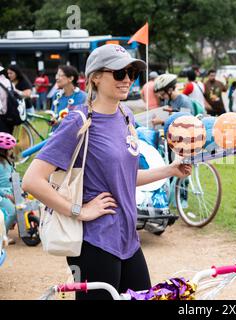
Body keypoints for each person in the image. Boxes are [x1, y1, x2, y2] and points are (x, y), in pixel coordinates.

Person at [22, 44, 192, 300]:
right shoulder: (78, 122)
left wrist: (169, 170)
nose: (127, 80)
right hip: (95, 242)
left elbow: (125, 178)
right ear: (95, 78)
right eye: (119, 73)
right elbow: (32, 180)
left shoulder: (126, 116)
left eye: (132, 73)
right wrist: (79, 210)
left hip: (128, 239)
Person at [0, 132, 17, 245]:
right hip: (2, 194)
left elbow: (14, 177)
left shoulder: (8, 162)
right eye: (10, 149)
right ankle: (2, 238)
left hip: (10, 191)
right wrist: (7, 195)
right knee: (12, 212)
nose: (12, 151)